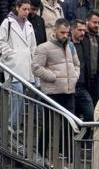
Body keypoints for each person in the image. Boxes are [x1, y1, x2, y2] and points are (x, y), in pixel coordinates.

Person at [32, 18, 80, 159]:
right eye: (62, 32)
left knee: (69, 123)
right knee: (48, 124)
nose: (65, 35)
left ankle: (67, 153)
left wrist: (74, 76)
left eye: (67, 32)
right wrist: (53, 77)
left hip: (69, 91)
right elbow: (36, 67)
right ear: (55, 31)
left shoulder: (70, 47)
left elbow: (77, 64)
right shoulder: (44, 48)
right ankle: (41, 152)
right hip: (52, 92)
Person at [0, 0, 36, 133]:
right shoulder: (8, 23)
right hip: (13, 65)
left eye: (28, 10)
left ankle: (15, 124)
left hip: (26, 66)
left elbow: (33, 47)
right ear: (17, 8)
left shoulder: (29, 26)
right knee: (16, 93)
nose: (26, 12)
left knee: (22, 95)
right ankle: (10, 123)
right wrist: (11, 54)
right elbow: (0, 43)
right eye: (24, 9)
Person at [71, 18, 95, 122]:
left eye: (84, 30)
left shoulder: (85, 44)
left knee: (90, 114)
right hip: (70, 87)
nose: (82, 33)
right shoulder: (67, 45)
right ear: (72, 30)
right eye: (80, 30)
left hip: (83, 86)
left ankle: (84, 137)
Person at [82, 11, 99, 104]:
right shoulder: (82, 37)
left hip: (95, 78)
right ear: (87, 21)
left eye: (98, 23)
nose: (97, 25)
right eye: (94, 22)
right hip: (84, 78)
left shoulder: (98, 37)